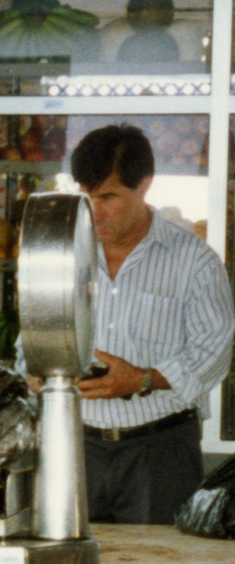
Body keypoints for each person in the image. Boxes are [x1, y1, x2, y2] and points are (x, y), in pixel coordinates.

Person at [68, 122, 234, 523]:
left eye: (108, 196)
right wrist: (38, 373)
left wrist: (142, 380)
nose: (95, 210)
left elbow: (215, 350)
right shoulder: (66, 254)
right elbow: (31, 338)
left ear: (144, 186)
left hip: (160, 452)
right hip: (75, 448)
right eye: (86, 196)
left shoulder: (193, 261)